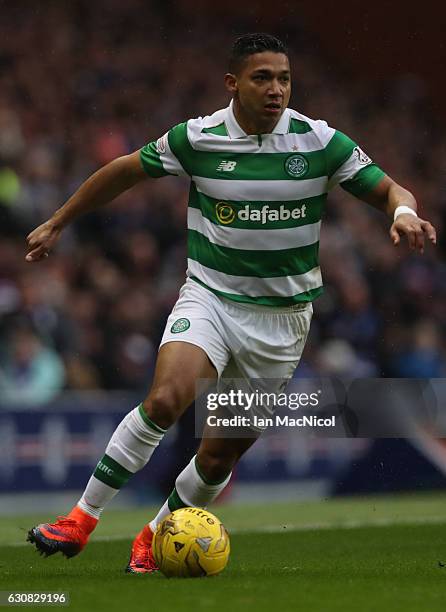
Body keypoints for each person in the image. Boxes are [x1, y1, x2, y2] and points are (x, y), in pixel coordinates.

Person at [25, 33, 436, 572]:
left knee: (219, 453)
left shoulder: (318, 141)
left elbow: (390, 190)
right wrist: (59, 221)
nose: (276, 89)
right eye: (262, 78)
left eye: (284, 78)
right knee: (167, 398)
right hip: (211, 299)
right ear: (232, 83)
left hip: (282, 323)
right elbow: (125, 169)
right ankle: (80, 520)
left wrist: (402, 213)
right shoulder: (198, 139)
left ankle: (153, 536)